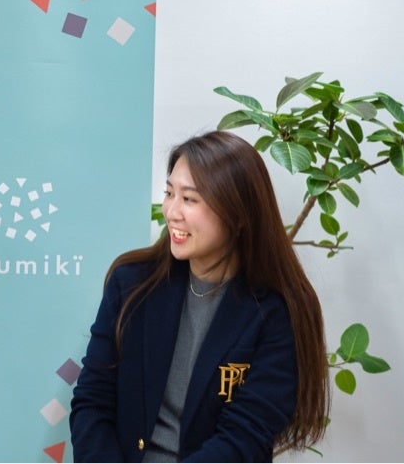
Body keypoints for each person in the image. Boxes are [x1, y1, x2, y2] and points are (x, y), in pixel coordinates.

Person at [69, 131, 329, 462]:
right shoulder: (132, 283)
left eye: (190, 199)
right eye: (169, 193)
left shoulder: (280, 311)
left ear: (238, 214)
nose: (172, 211)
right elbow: (92, 402)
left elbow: (244, 438)